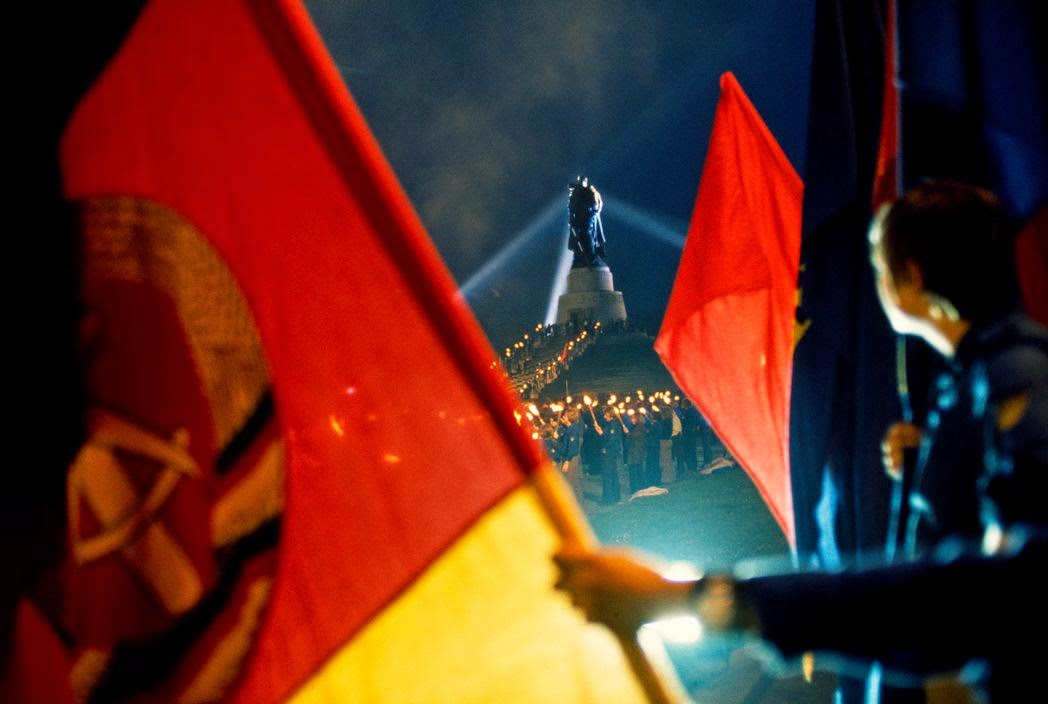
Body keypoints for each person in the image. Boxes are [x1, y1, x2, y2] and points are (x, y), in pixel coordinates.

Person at [555, 181, 1048, 702]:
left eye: (878, 270)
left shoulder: (1012, 379)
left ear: (912, 277)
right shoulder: (982, 376)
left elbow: (1001, 590)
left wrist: (699, 599)